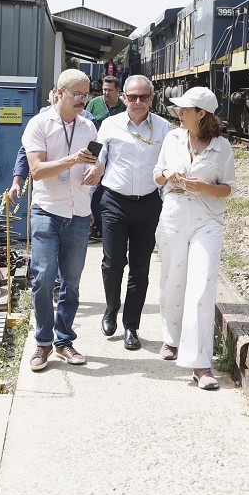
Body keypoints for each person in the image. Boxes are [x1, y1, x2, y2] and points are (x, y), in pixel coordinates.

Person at [152, 86, 236, 390]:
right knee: (172, 281)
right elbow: (156, 174)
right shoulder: (173, 138)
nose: (179, 112)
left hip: (207, 220)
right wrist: (169, 175)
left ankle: (201, 364)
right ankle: (171, 338)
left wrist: (204, 186)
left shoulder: (222, 147)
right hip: (174, 213)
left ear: (201, 114)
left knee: (202, 287)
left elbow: (227, 188)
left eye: (185, 109)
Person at [83, 75, 171, 351]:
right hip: (114, 202)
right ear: (123, 98)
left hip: (148, 203)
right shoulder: (108, 125)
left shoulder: (164, 128)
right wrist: (89, 197)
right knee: (112, 263)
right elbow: (96, 159)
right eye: (132, 97)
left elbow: (169, 165)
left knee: (140, 268)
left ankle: (131, 326)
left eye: (143, 97)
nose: (137, 102)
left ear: (151, 99)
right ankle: (111, 308)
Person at [21, 69, 101, 371]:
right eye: (77, 94)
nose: (83, 99)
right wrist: (72, 160)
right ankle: (42, 342)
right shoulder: (39, 124)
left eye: (86, 93)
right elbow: (37, 171)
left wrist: (96, 174)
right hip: (47, 210)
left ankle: (64, 340)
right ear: (60, 93)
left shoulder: (89, 128)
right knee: (43, 277)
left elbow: (94, 167)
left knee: (72, 282)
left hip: (79, 213)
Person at [84, 75, 125, 239]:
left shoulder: (124, 106)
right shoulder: (94, 104)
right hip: (96, 151)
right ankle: (95, 225)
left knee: (106, 189)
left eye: (109, 90)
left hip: (116, 153)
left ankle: (103, 225)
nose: (106, 93)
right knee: (94, 187)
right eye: (104, 90)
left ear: (118, 91)